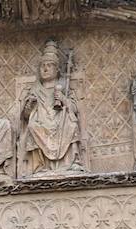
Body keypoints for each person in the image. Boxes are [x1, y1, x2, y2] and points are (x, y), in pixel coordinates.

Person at [19, 40, 81, 174]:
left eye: (49, 66)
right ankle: (39, 166)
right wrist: (30, 105)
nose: (45, 69)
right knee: (32, 126)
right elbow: (25, 116)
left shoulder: (64, 87)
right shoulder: (35, 90)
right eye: (43, 66)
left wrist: (63, 99)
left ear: (57, 69)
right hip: (41, 123)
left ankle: (74, 160)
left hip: (61, 122)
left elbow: (75, 109)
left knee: (72, 124)